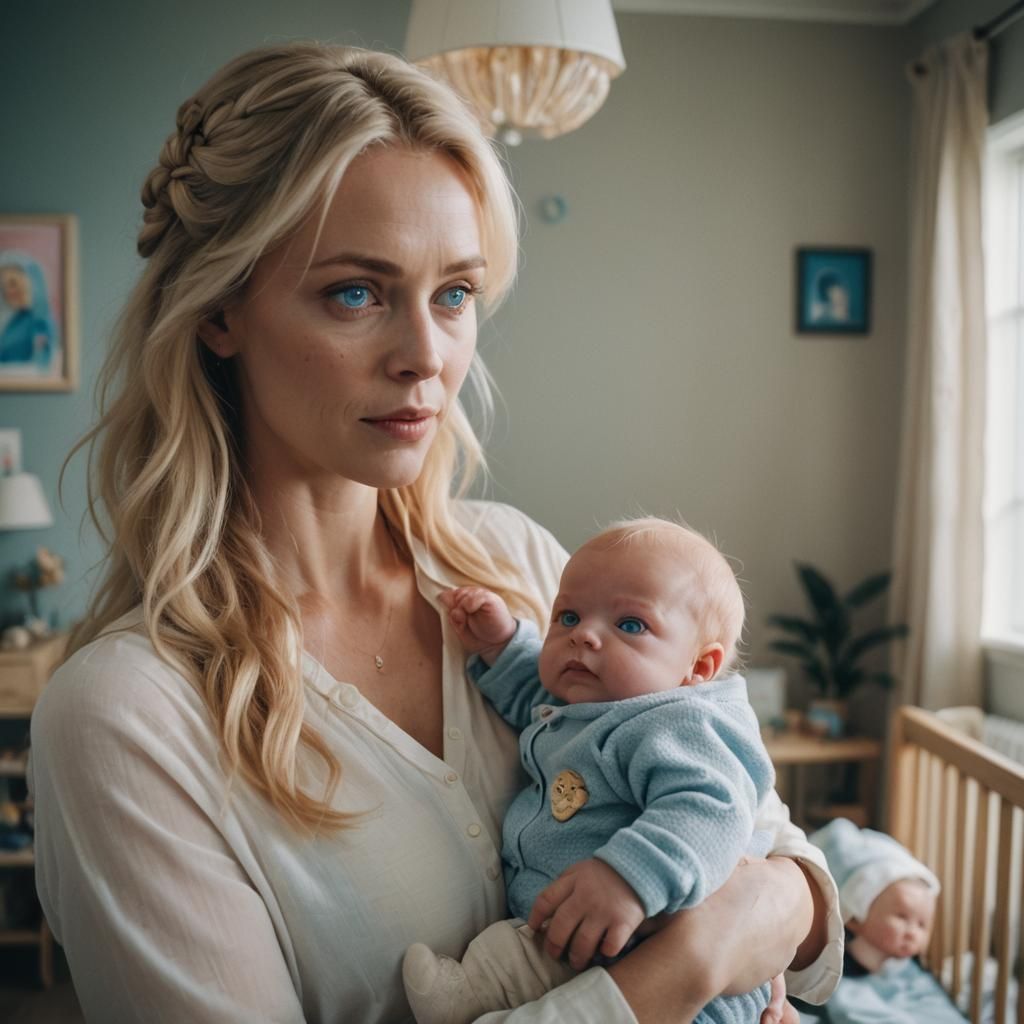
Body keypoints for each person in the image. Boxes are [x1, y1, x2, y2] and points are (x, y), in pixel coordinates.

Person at [28, 42, 842, 1024]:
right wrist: (697, 957)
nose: (426, 356)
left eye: (453, 293)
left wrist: (780, 903)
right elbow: (740, 908)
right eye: (355, 293)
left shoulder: (530, 565)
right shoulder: (128, 716)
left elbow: (768, 847)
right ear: (220, 311)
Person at [403, 518, 780, 1024]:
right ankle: (474, 989)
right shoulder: (598, 707)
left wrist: (627, 876)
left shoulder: (679, 723)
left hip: (662, 947)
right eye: (569, 616)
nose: (584, 636)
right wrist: (501, 645)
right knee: (517, 952)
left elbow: (712, 807)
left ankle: (472, 990)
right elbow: (537, 701)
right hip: (584, 939)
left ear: (699, 668)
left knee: (519, 956)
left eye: (630, 625)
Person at [806, 819, 961, 1024]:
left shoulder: (911, 969)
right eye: (902, 917)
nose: (912, 932)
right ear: (854, 918)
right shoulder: (837, 966)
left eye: (922, 924)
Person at [0, 258, 55, 366]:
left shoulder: (40, 322)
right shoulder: (14, 321)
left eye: (13, 283)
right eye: (3, 287)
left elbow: (42, 363)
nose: (7, 292)